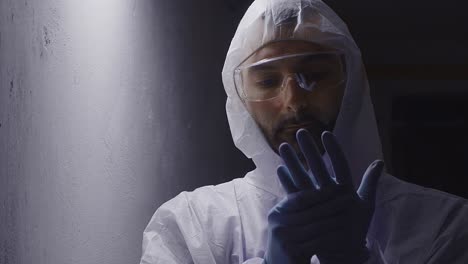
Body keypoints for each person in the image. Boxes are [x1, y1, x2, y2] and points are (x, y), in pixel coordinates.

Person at [140, 0, 468, 263]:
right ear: (242, 99)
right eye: (268, 81)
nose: (294, 101)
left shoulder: (443, 224)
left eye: (315, 74)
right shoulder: (192, 225)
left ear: (351, 85)